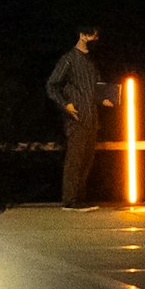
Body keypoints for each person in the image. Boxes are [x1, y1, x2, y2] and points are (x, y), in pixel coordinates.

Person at [46, 27, 108, 207]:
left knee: (87, 160)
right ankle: (70, 200)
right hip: (76, 118)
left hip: (91, 118)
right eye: (92, 35)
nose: (95, 38)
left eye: (97, 35)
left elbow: (97, 88)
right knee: (75, 159)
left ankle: (80, 198)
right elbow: (52, 85)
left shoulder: (91, 62)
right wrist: (66, 104)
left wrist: (105, 99)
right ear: (82, 35)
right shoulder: (69, 59)